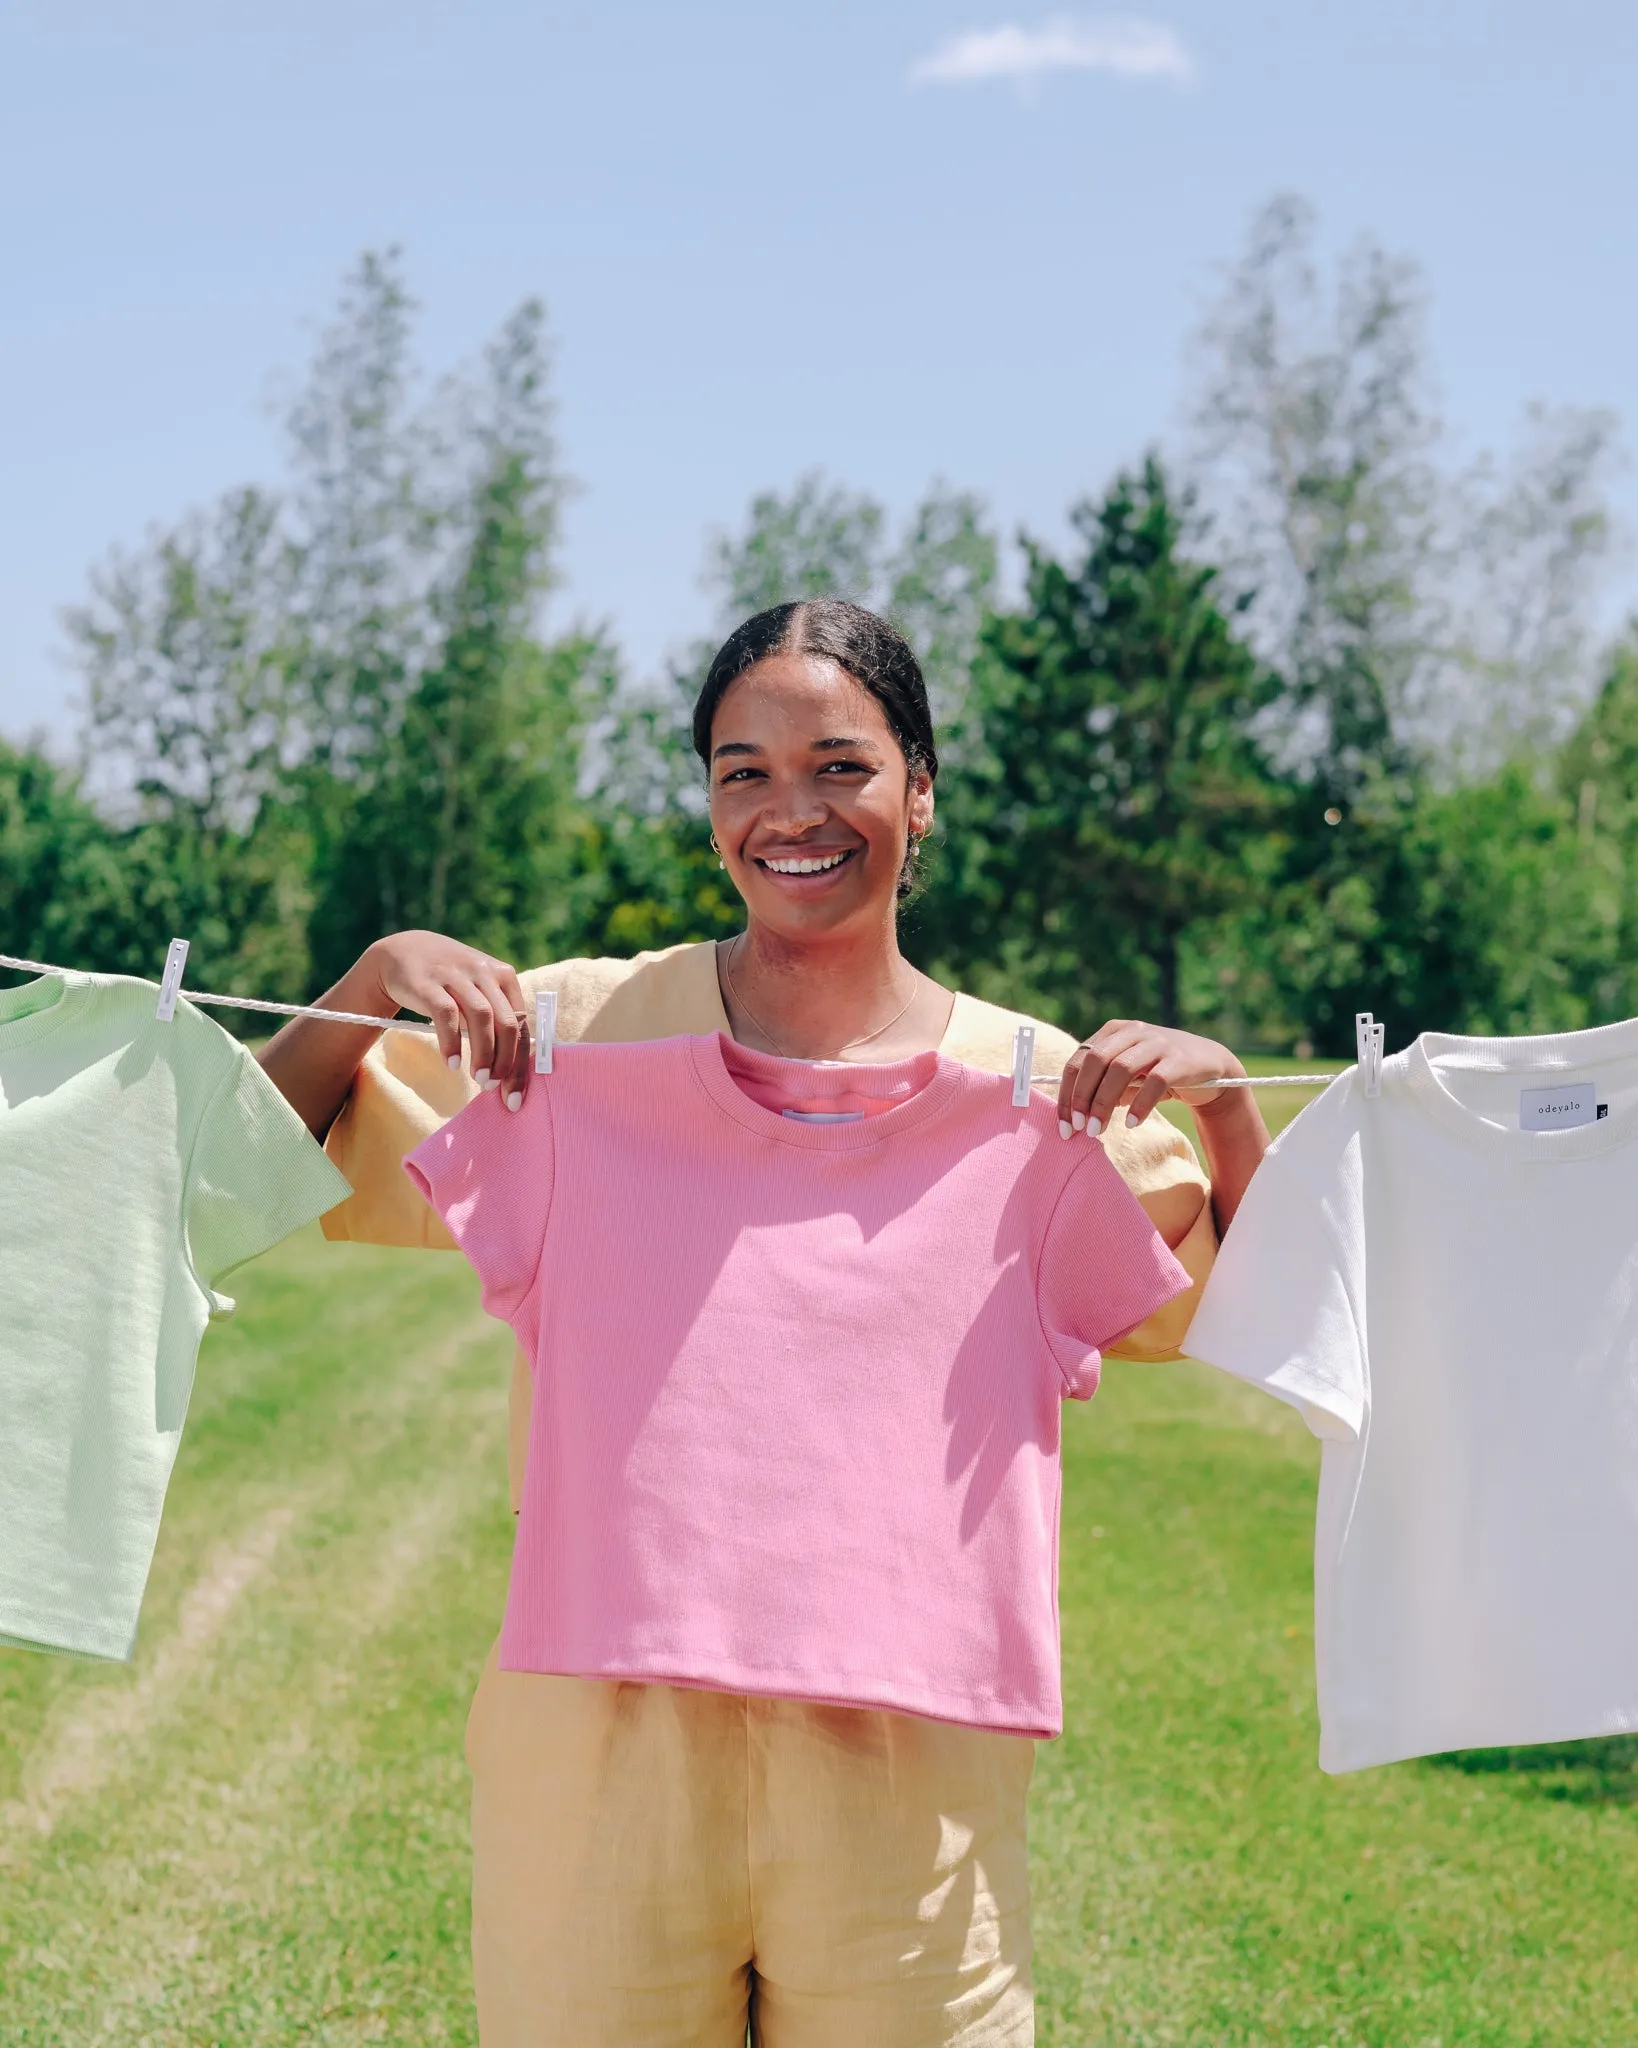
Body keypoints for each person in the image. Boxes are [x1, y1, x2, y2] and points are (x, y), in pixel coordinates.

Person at [259, 598, 1270, 2048]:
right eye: (743, 771)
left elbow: (1266, 1300)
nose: (789, 809)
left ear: (920, 790)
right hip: (599, 1768)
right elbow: (250, 1166)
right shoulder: (575, 1046)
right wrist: (368, 981)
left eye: (838, 765)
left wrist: (1224, 1102)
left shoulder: (1041, 1094)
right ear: (709, 803)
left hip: (906, 1787)